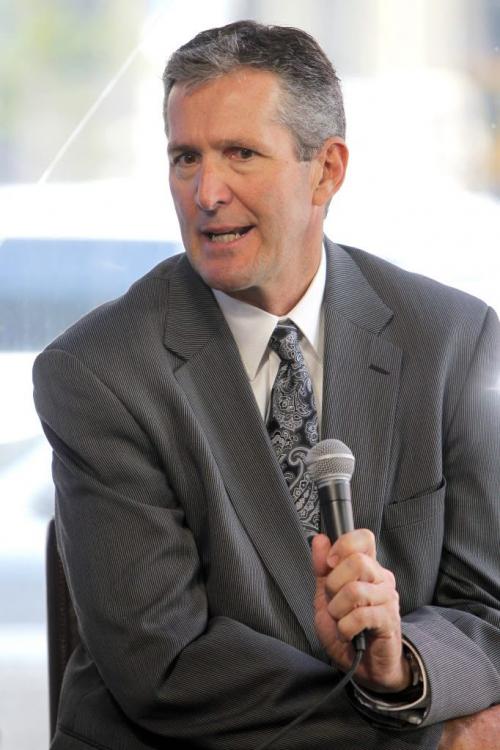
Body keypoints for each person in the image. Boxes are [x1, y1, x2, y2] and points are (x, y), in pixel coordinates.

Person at [33, 20, 500, 750]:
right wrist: (418, 731)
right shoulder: (97, 371)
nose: (205, 191)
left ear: (328, 170)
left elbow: (488, 610)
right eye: (185, 157)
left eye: (240, 154)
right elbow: (168, 665)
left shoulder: (450, 338)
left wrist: (401, 669)